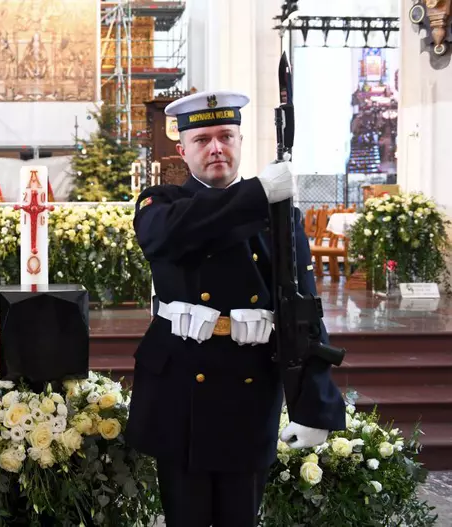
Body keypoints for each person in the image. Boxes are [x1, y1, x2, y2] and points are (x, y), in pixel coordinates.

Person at [126, 90, 346, 526]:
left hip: (249, 394)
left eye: (226, 135)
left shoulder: (281, 218)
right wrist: (259, 192)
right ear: (182, 150)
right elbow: (170, 234)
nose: (216, 148)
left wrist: (313, 406)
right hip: (181, 393)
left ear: (241, 141)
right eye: (202, 139)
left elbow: (302, 313)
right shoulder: (161, 203)